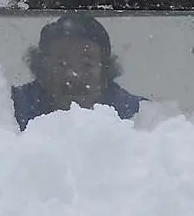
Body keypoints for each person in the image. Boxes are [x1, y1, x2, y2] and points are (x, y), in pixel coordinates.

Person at [11, 13, 144, 130]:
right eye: (61, 64)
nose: (73, 75)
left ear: (104, 72)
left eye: (87, 64)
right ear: (43, 69)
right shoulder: (10, 110)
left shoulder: (137, 116)